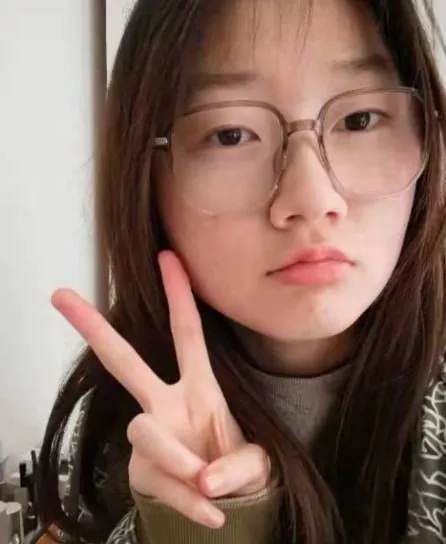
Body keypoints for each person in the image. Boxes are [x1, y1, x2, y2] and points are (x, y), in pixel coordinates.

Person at [31, 0, 446, 542]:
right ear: (145, 176)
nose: (312, 198)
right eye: (230, 134)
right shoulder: (117, 437)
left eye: (359, 120)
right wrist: (196, 528)